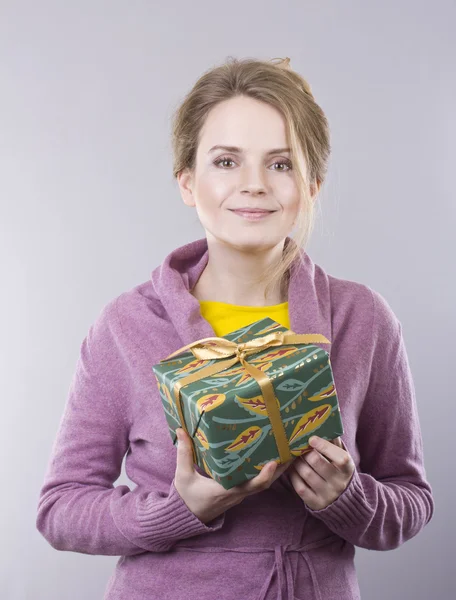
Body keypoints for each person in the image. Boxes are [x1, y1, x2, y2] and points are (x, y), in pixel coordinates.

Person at [36, 56, 434, 600]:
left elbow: (411, 502)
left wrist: (348, 499)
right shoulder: (125, 326)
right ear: (186, 181)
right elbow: (61, 510)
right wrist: (177, 511)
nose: (253, 185)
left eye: (280, 163)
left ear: (312, 184)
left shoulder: (363, 318)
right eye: (225, 161)